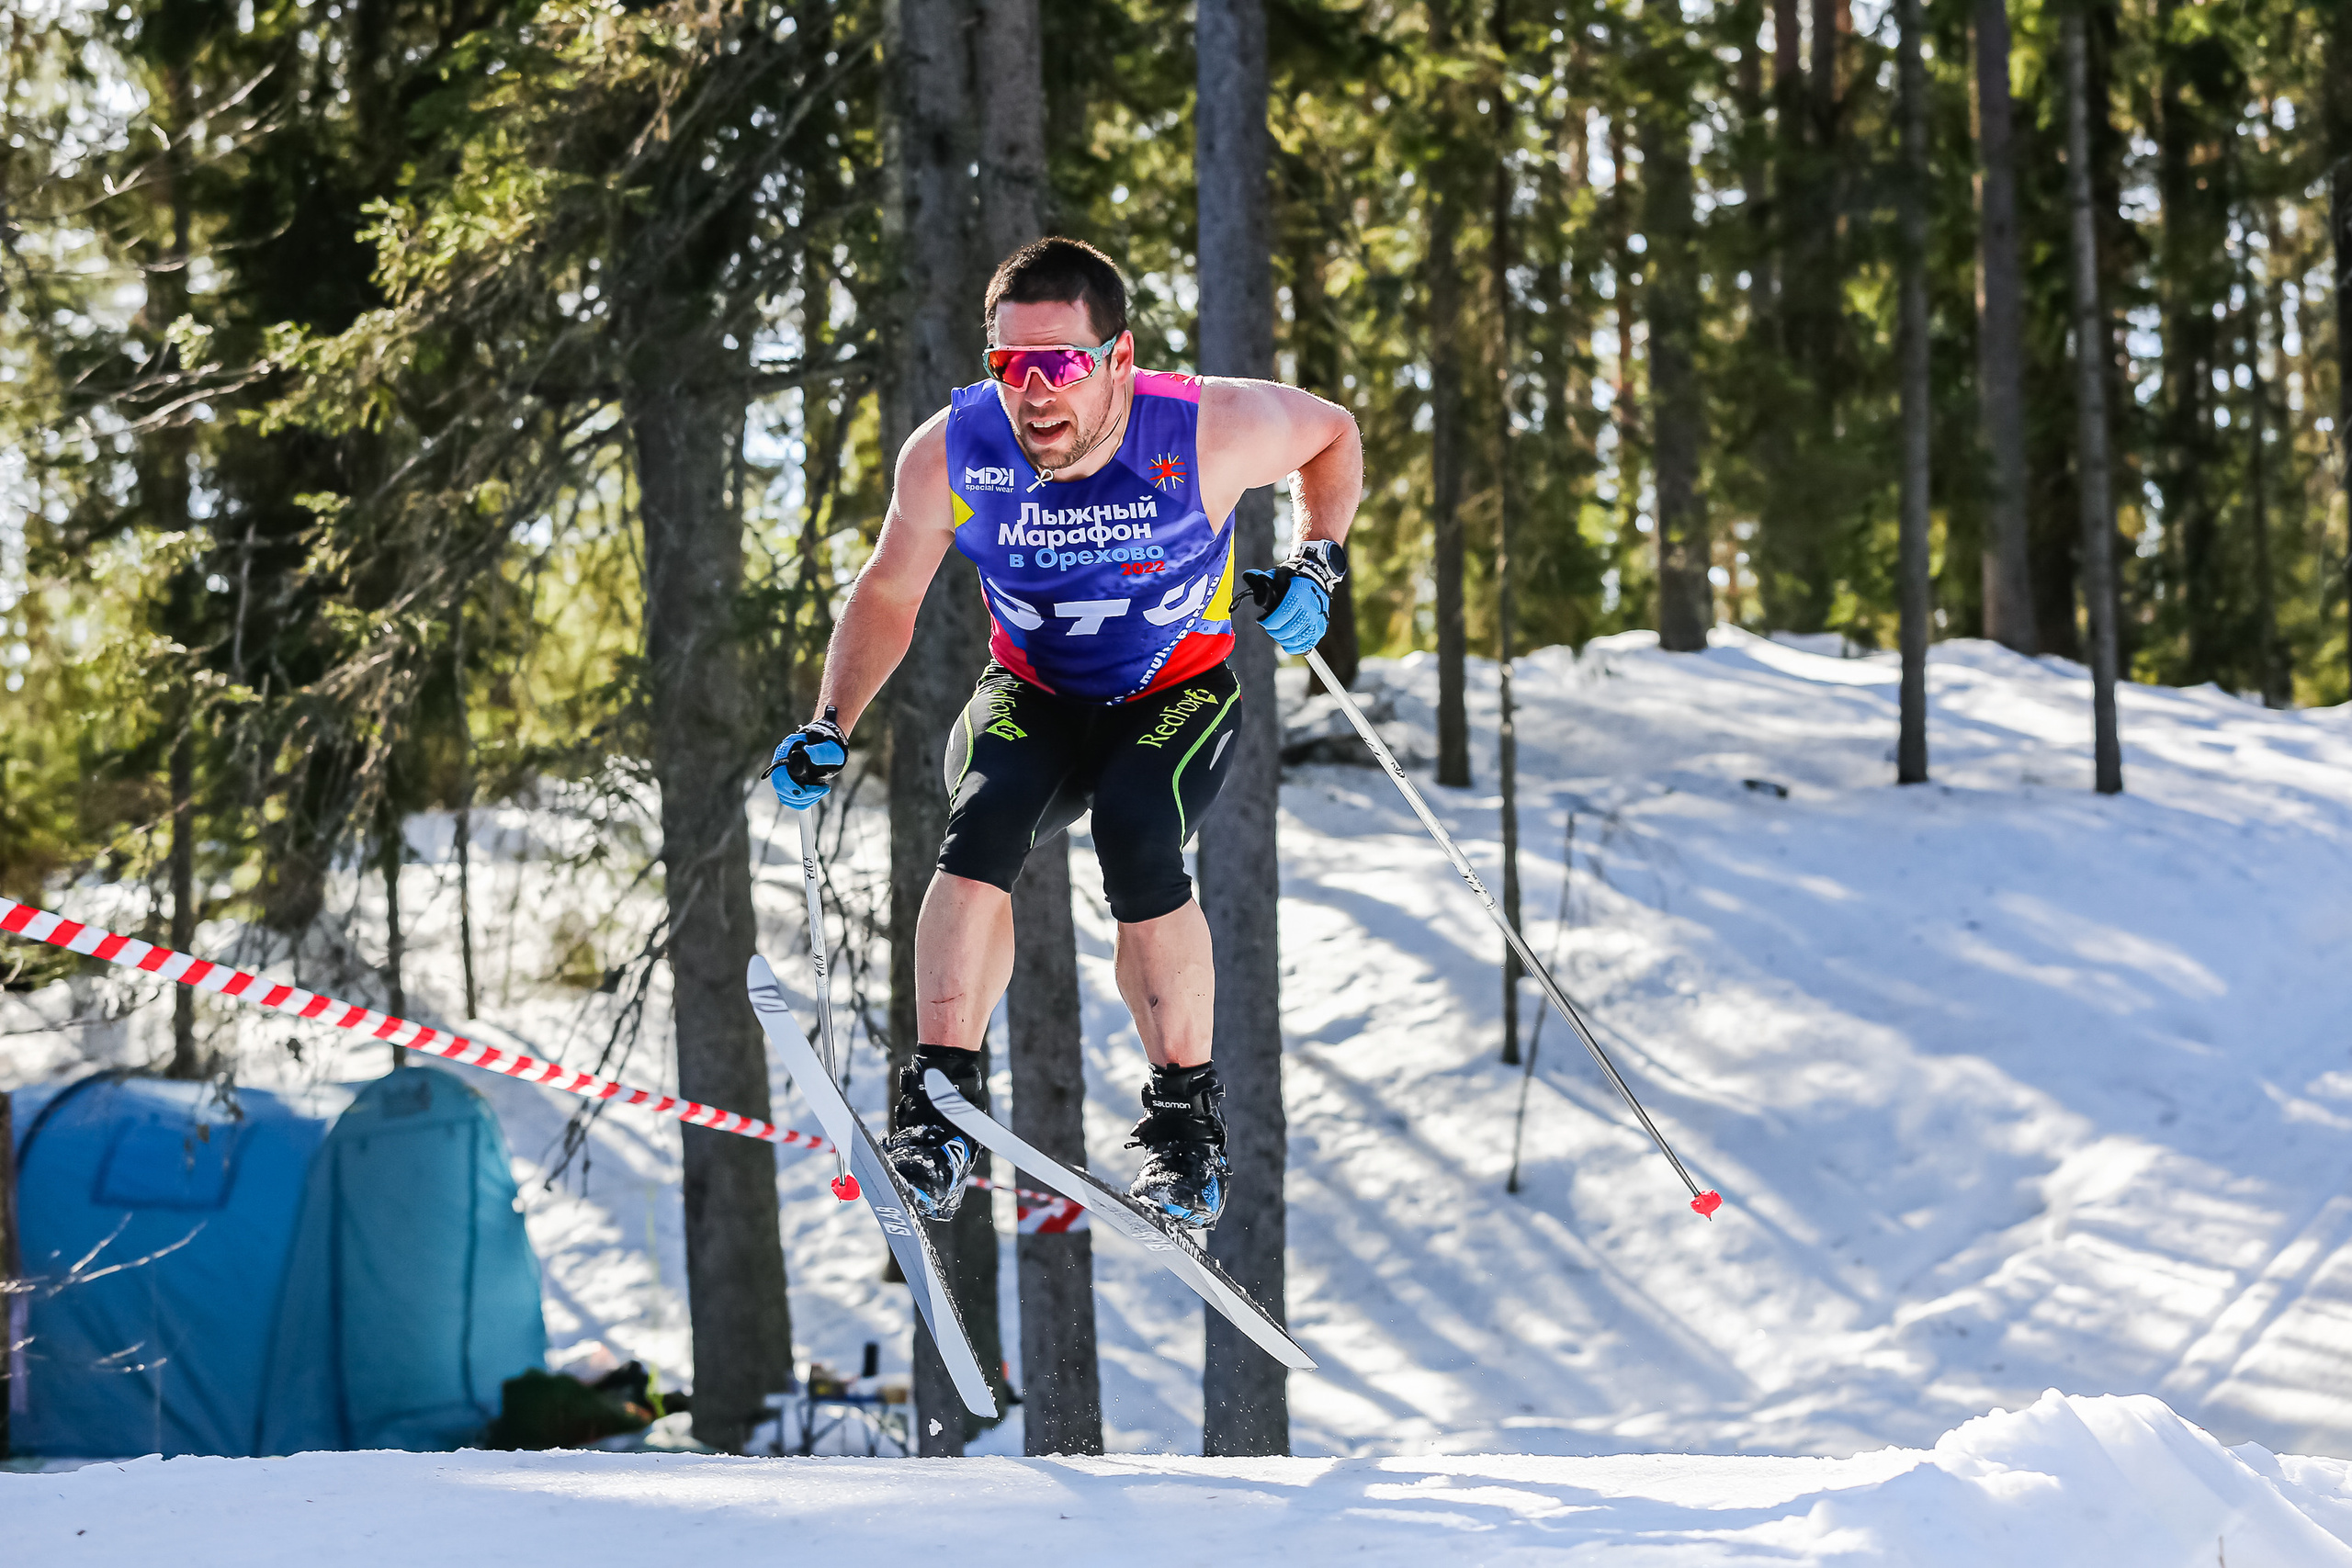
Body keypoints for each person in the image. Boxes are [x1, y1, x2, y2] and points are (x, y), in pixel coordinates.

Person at [767, 237, 1362, 1231]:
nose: (1035, 393)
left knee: (1138, 831)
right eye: (1011, 366)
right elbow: (889, 588)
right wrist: (828, 723)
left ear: (1118, 358)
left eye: (1062, 364)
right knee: (980, 830)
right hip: (1032, 690)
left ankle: (1184, 1133)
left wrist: (1317, 565)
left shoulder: (1207, 426)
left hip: (1174, 692)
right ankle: (938, 1113)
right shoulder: (953, 450)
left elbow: (1331, 434)